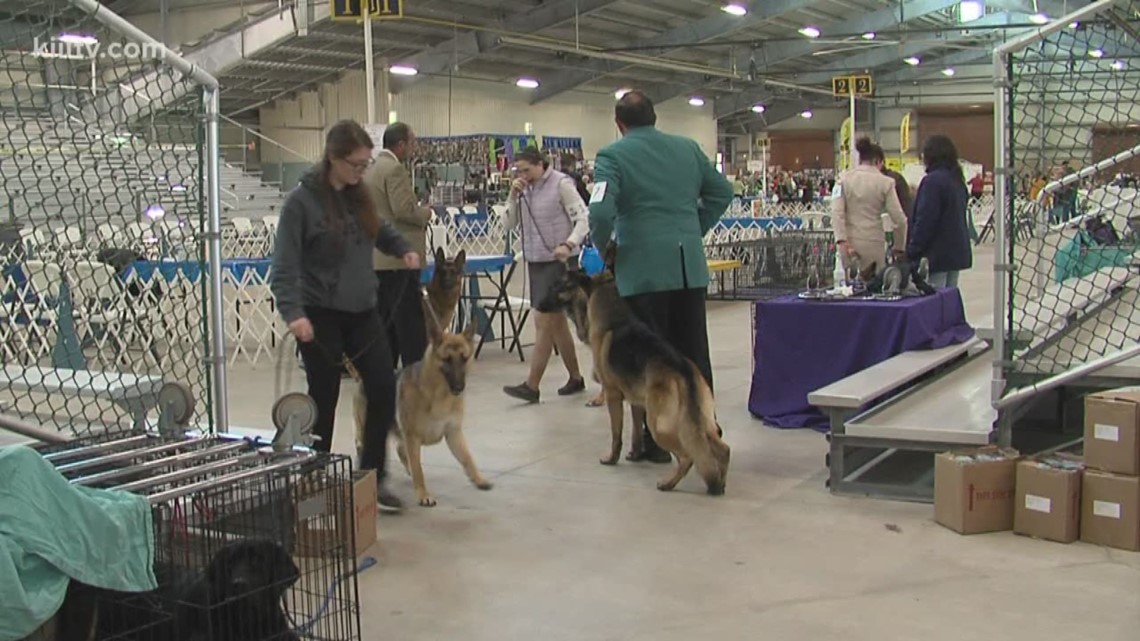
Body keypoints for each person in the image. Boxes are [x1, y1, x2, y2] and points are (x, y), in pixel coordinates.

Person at [270, 119, 420, 512]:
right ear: (334, 158)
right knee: (324, 396)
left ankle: (372, 476)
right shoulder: (301, 203)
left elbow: (379, 229)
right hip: (319, 314)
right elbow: (283, 265)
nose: (361, 171)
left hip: (363, 310)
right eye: (355, 164)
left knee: (383, 388)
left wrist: (403, 248)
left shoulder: (359, 196)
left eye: (365, 164)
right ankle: (313, 475)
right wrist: (294, 313)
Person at [588, 90, 733, 463]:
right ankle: (707, 429)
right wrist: (694, 228)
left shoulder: (612, 156)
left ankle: (657, 443)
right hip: (688, 267)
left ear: (619, 124)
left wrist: (606, 248)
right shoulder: (688, 149)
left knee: (653, 361)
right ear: (655, 118)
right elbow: (722, 192)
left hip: (642, 270)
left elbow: (600, 212)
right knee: (694, 354)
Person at [501, 146, 590, 403]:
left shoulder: (562, 184)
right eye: (519, 171)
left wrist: (569, 244)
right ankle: (575, 377)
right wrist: (512, 197)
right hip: (536, 262)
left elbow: (583, 219)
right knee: (557, 325)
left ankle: (532, 385)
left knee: (544, 322)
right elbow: (508, 224)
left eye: (527, 170)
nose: (524, 176)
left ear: (541, 165)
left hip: (559, 262)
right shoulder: (523, 191)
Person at [364, 122, 431, 369]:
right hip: (400, 260)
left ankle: (384, 374)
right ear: (401, 144)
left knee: (386, 323)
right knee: (409, 324)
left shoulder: (372, 169)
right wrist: (426, 213)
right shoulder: (394, 169)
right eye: (412, 143)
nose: (414, 148)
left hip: (378, 259)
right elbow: (403, 210)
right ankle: (416, 376)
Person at [831, 137, 908, 272]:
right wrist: (899, 248)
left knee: (849, 283)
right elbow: (899, 220)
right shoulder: (886, 183)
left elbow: (837, 214)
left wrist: (842, 241)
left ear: (860, 159)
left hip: (849, 245)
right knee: (874, 282)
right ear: (878, 161)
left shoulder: (842, 180)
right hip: (874, 244)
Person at [906, 134, 972, 288]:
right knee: (948, 295)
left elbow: (926, 219)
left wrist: (912, 250)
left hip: (934, 256)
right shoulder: (957, 180)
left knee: (933, 295)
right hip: (955, 253)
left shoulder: (932, 182)